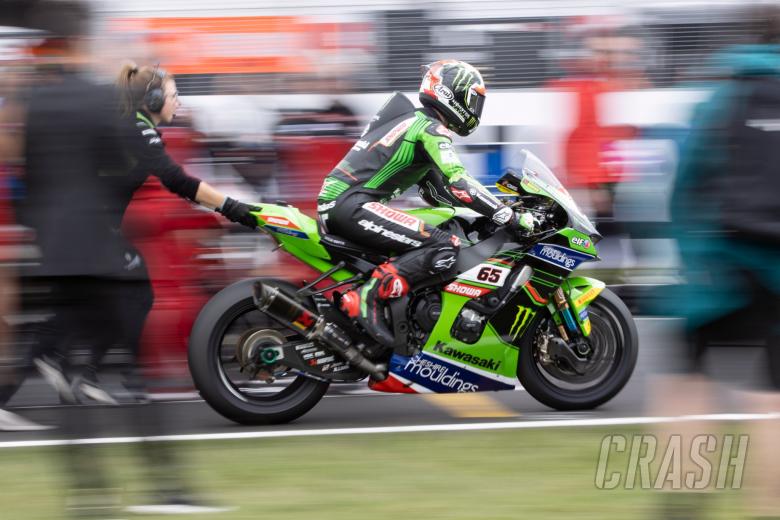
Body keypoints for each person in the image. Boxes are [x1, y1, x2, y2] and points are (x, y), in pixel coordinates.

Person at [317, 59, 533, 346]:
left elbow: (440, 192)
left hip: (346, 204)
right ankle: (368, 296)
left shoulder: (415, 123)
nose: (475, 109)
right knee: (444, 245)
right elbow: (459, 182)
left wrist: (490, 211)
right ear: (452, 93)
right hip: (352, 205)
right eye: (473, 100)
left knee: (444, 230)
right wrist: (507, 215)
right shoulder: (431, 129)